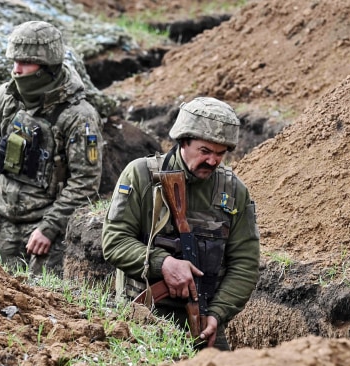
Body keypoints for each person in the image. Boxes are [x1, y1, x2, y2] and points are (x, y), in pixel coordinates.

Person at [101, 97, 260, 351]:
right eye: (205, 151)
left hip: (203, 321)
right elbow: (114, 241)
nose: (213, 161)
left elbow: (245, 264)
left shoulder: (234, 191)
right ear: (183, 141)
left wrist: (217, 315)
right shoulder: (141, 175)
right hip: (142, 318)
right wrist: (162, 263)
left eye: (220, 154)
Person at [0, 20, 102, 274]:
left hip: (48, 233)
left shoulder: (78, 116)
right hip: (3, 224)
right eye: (14, 62)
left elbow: (86, 181)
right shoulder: (5, 98)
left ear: (46, 68)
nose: (16, 70)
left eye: (25, 63)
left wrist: (49, 227)